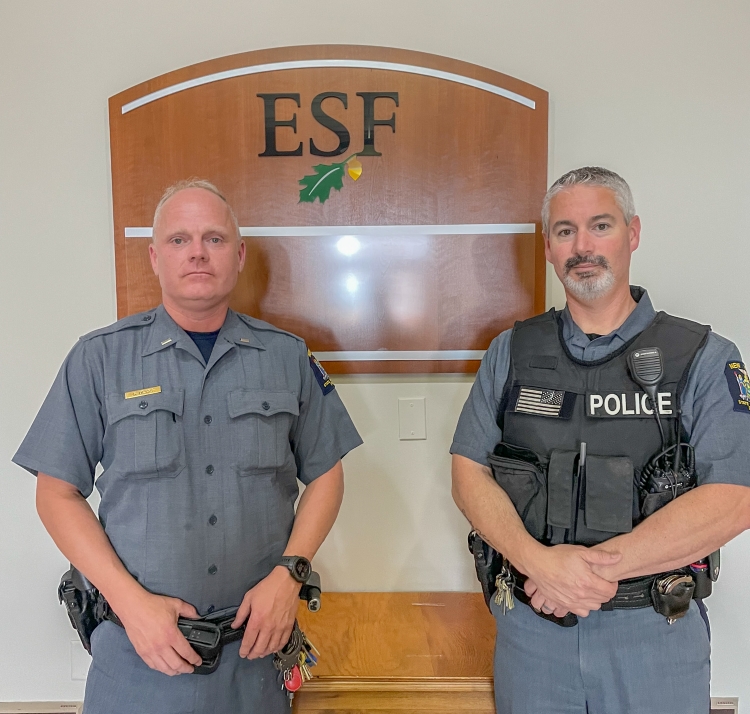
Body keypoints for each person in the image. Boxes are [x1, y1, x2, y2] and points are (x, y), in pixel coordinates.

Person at [12, 179, 362, 714]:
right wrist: (130, 606)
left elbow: (327, 475)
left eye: (214, 238)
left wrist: (290, 576)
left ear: (239, 254)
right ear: (155, 257)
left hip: (255, 652)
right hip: (139, 653)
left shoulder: (286, 357)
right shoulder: (99, 359)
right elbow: (55, 493)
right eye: (179, 240)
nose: (197, 251)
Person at [451, 166, 750, 714]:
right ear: (548, 246)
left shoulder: (704, 356)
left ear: (633, 233)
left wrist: (588, 573)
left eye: (600, 226)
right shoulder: (511, 352)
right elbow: (469, 471)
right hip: (533, 634)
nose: (582, 246)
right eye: (565, 231)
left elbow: (734, 499)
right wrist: (538, 563)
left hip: (654, 634)